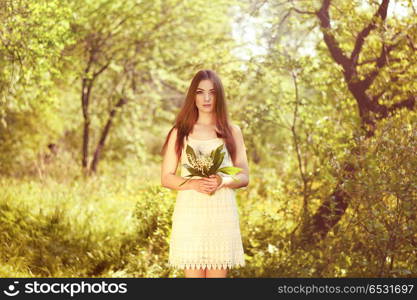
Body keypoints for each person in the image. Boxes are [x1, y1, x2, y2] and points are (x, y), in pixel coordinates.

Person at [160, 69, 249, 278]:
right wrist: (193, 184)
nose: (206, 98)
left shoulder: (231, 131)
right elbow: (166, 177)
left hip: (221, 213)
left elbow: (244, 175)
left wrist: (222, 180)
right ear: (193, 96)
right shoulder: (180, 131)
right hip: (191, 213)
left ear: (219, 95)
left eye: (212, 92)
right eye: (200, 92)